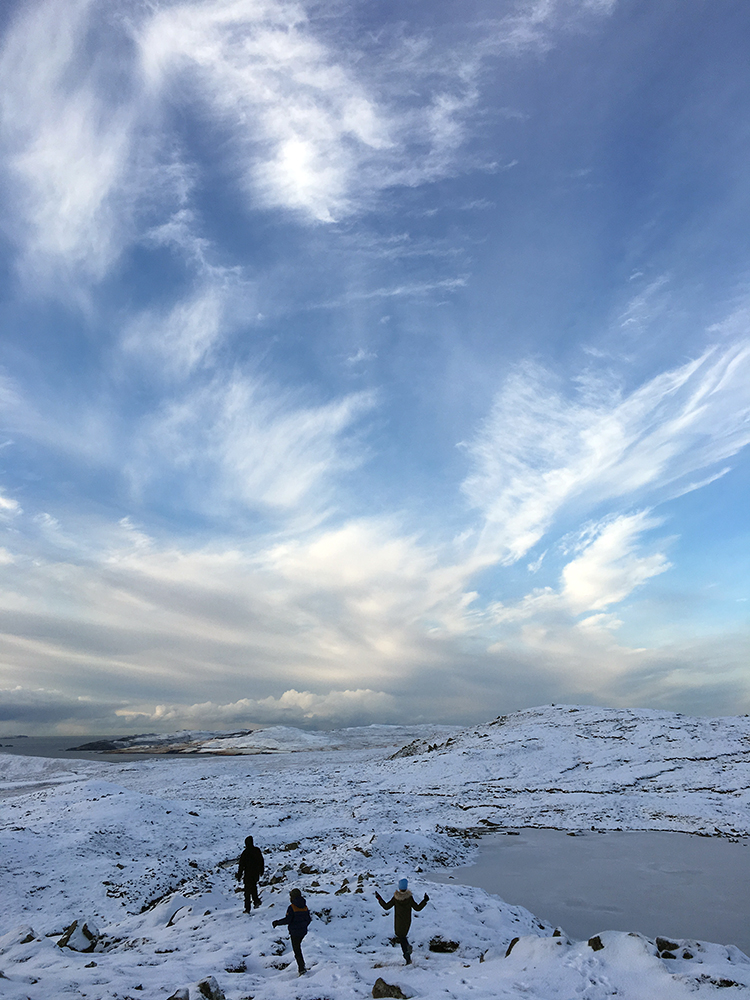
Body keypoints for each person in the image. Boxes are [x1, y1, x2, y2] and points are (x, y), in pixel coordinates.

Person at [375, 878, 429, 964]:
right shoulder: (409, 898)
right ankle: (408, 950)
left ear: (399, 887)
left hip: (398, 921)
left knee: (401, 937)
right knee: (403, 937)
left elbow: (386, 906)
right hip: (407, 921)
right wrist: (425, 900)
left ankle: (407, 956)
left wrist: (379, 898)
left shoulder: (396, 898)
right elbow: (417, 908)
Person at [272, 887, 312, 975]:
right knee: (298, 949)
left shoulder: (292, 907)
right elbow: (309, 919)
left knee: (297, 950)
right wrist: (303, 926)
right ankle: (302, 967)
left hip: (295, 932)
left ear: (292, 897)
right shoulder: (305, 906)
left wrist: (277, 923)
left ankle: (302, 969)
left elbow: (288, 920)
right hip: (303, 931)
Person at [236, 835, 265, 912]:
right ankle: (256, 901)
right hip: (255, 874)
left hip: (248, 875)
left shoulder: (245, 853)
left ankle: (247, 908)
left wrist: (239, 875)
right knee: (254, 888)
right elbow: (261, 861)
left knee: (247, 892)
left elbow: (241, 865)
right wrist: (261, 871)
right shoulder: (257, 850)